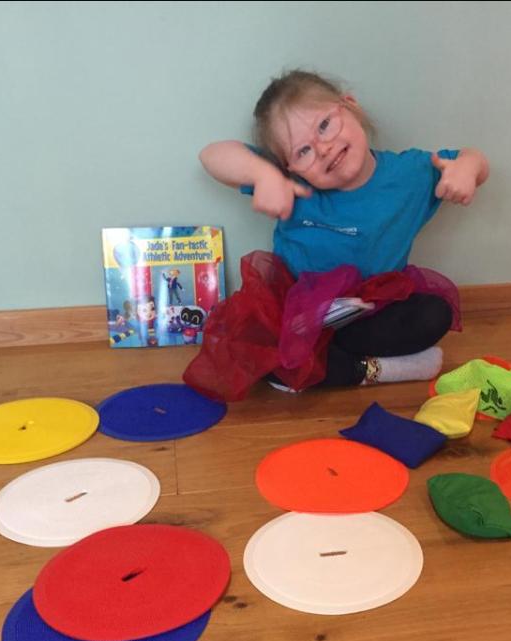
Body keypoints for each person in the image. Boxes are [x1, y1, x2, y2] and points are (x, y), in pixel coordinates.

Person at [184, 69, 489, 401]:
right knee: (253, 349)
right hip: (298, 312)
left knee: (434, 314)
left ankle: (325, 362)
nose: (324, 148)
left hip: (371, 309)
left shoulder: (409, 174)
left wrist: (468, 168)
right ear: (288, 168)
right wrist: (262, 176)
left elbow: (473, 159)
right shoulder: (293, 184)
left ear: (351, 106)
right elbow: (211, 155)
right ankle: (380, 370)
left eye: (325, 125)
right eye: (303, 152)